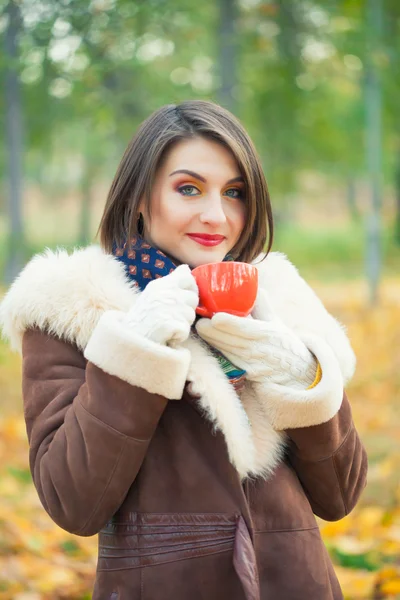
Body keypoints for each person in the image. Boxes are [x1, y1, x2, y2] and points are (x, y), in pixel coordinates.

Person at [0, 100, 367, 600]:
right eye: (188, 188)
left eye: (234, 193)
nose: (216, 216)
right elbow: (74, 503)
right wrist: (134, 350)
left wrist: (297, 372)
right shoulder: (76, 311)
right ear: (140, 198)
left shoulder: (279, 301)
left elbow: (340, 496)